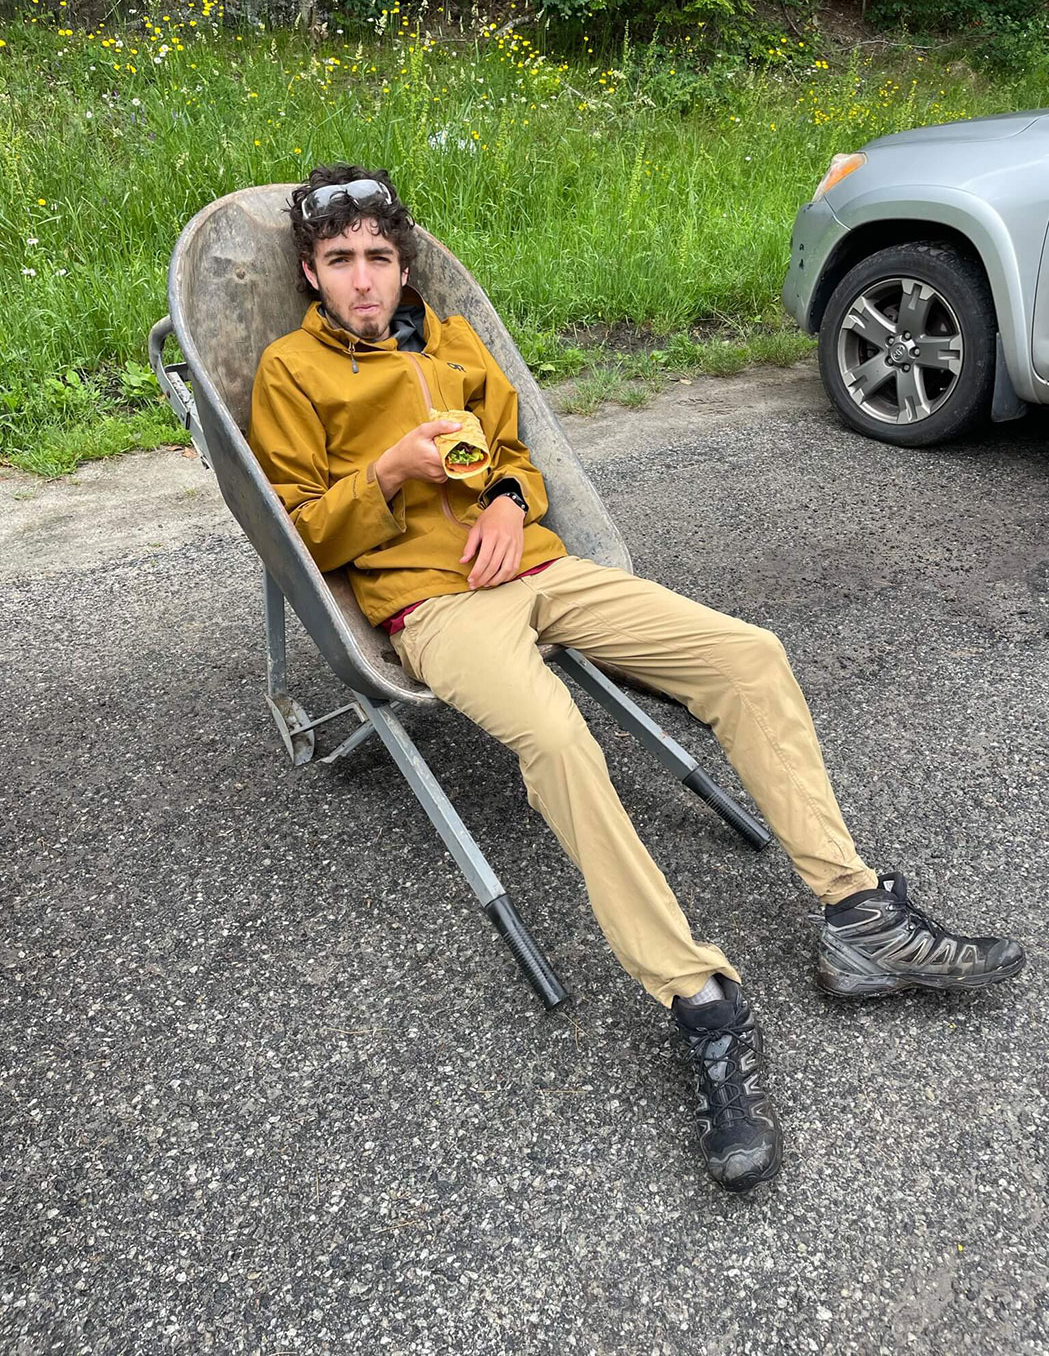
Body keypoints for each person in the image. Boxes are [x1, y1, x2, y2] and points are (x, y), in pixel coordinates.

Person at [249, 164, 1026, 1195]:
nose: (362, 279)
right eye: (340, 259)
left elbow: (513, 455)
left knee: (747, 655)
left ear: (402, 264)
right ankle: (698, 998)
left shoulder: (451, 342)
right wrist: (389, 473)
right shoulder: (290, 372)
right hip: (429, 606)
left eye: (378, 257)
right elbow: (297, 534)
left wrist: (507, 503)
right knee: (558, 739)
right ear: (311, 271)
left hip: (535, 569)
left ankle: (857, 918)